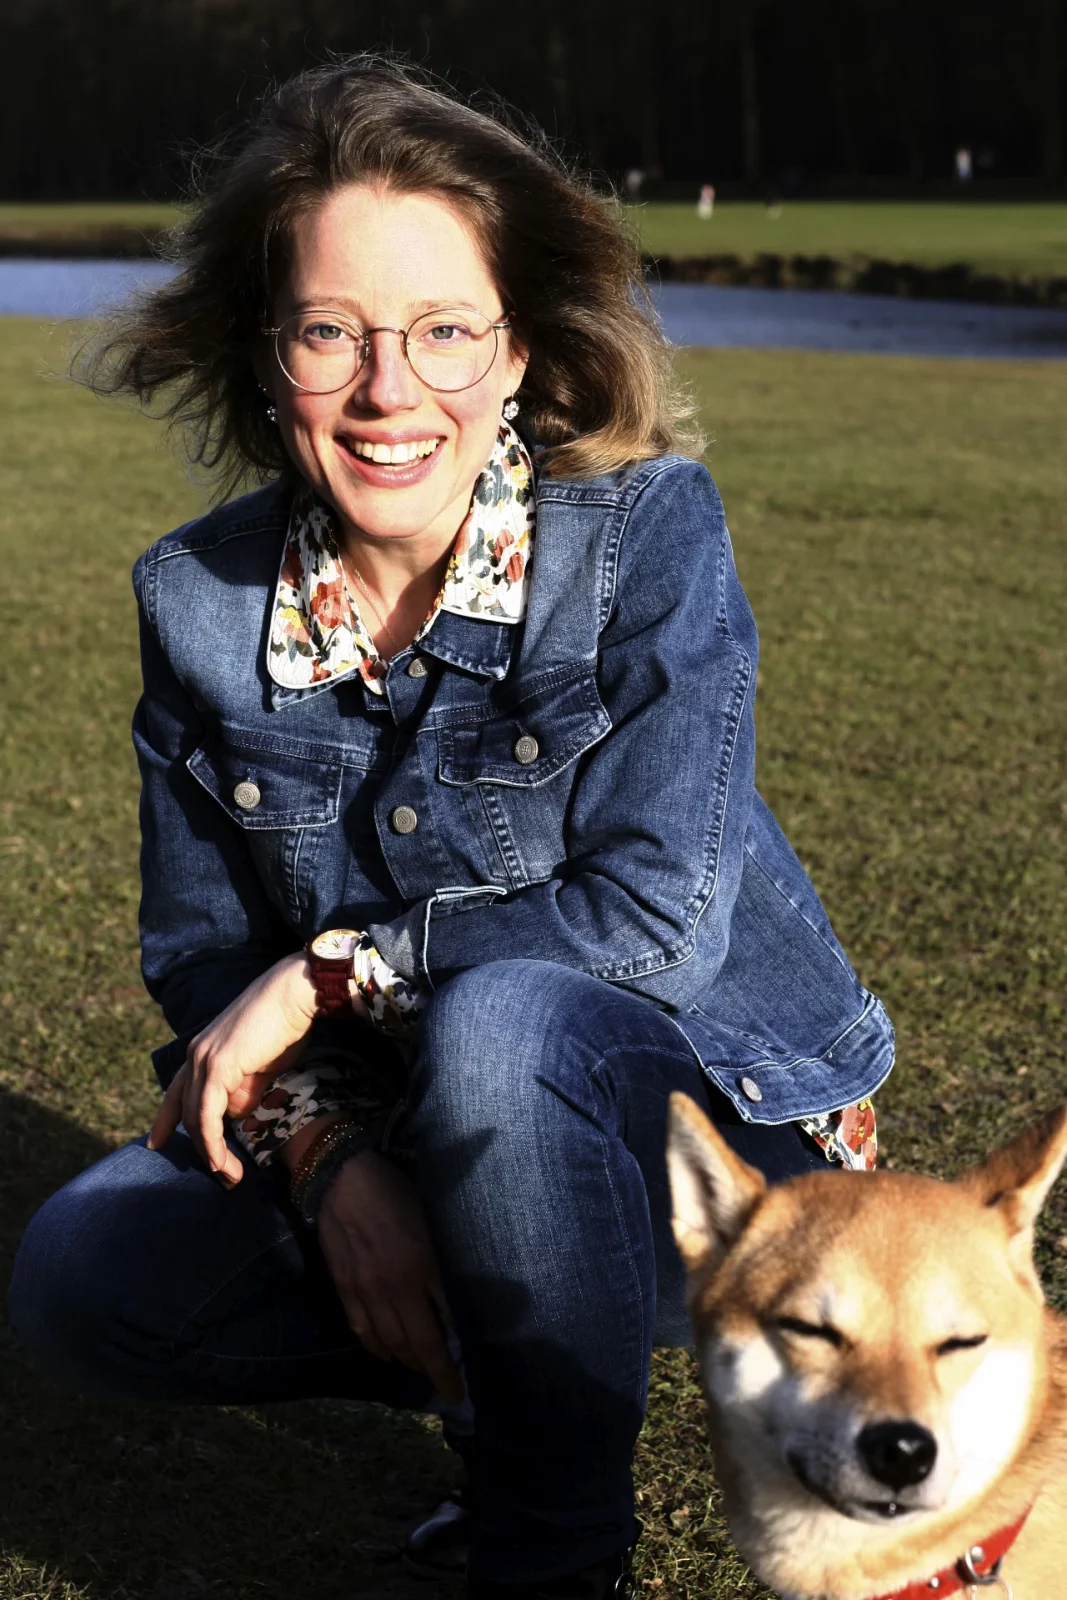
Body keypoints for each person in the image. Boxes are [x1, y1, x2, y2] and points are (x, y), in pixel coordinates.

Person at [9, 57, 892, 1600]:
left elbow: (654, 926)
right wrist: (337, 1164)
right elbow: (202, 955)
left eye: (441, 330)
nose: (387, 390)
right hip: (416, 1113)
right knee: (93, 1278)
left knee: (503, 1020)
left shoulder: (647, 536)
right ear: (264, 350)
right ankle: (493, 1354)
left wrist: (335, 971)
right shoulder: (194, 598)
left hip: (723, 1130)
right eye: (329, 331)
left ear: (518, 349)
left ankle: (542, 1553)